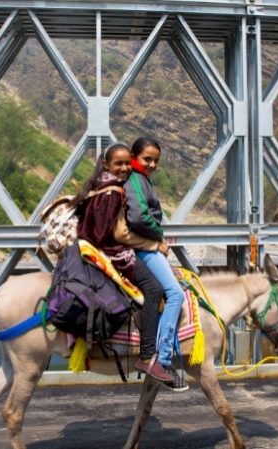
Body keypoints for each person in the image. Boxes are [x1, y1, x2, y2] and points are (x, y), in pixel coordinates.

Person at [71, 142, 177, 387]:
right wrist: (155, 244)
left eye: (126, 163)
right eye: (119, 164)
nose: (124, 168)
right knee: (154, 289)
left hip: (93, 249)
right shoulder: (115, 191)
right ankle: (148, 356)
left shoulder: (99, 185)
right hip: (113, 252)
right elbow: (120, 234)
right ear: (107, 164)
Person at [117, 137, 189, 392]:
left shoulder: (140, 179)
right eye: (147, 159)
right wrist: (158, 237)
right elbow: (138, 216)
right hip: (144, 247)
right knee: (175, 294)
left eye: (156, 160)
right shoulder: (135, 179)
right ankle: (162, 359)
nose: (152, 164)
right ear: (135, 157)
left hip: (144, 244)